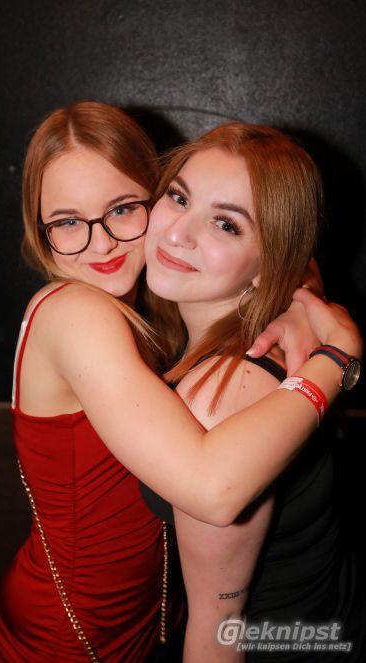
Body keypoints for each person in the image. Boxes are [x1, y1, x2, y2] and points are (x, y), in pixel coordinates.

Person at [0, 101, 361, 662]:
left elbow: (284, 247)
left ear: (153, 197)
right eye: (66, 222)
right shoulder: (77, 310)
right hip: (76, 631)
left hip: (154, 613)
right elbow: (214, 490)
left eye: (122, 209)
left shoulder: (156, 293)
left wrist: (302, 300)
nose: (101, 244)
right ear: (39, 232)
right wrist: (337, 358)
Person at [140, 122, 365, 661]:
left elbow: (220, 629)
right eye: (179, 197)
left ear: (273, 263)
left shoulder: (219, 395)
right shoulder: (264, 326)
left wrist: (341, 353)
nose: (177, 233)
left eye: (226, 224)